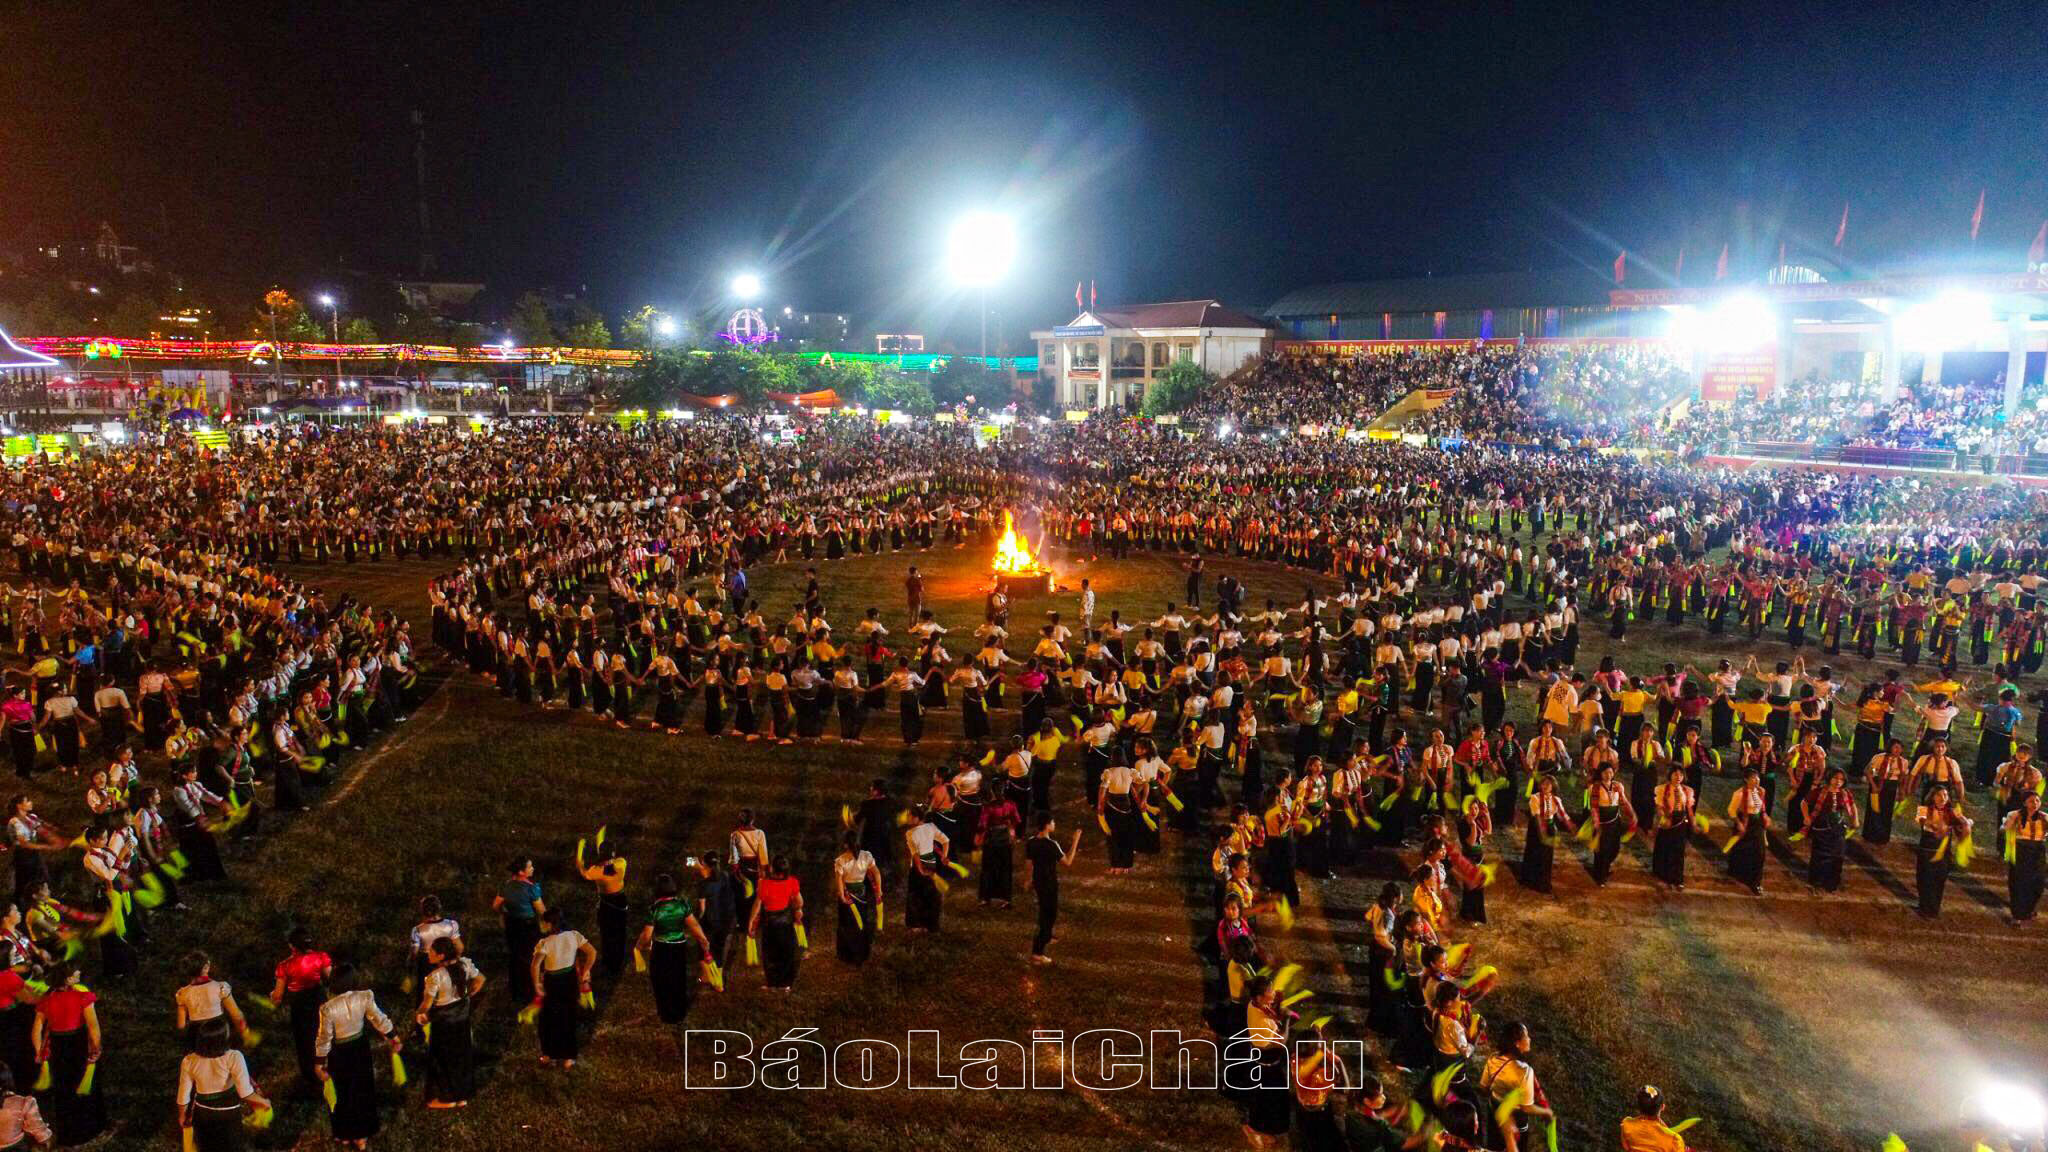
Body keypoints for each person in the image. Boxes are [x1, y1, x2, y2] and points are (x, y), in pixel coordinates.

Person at [315, 962, 397, 1148]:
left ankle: (345, 1133)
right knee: (362, 1089)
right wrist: (393, 1036)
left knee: (344, 1092)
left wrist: (319, 1063)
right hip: (360, 1049)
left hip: (339, 1053)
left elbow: (324, 1038)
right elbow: (379, 1019)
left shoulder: (327, 1008)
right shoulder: (365, 997)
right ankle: (362, 1136)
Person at [29, 966, 100, 1146]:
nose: (78, 973)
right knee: (83, 1085)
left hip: (57, 1047)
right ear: (67, 980)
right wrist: (96, 1047)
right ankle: (90, 1127)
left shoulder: (48, 1000)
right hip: (78, 1044)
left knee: (64, 1089)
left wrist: (38, 1050)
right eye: (75, 973)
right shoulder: (82, 997)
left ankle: (69, 1132)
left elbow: (37, 1027)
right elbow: (93, 1026)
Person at [176, 1019, 267, 1151]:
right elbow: (245, 1093)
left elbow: (183, 1095)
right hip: (228, 1114)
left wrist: (182, 1115)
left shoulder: (189, 1061)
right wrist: (263, 1102)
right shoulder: (233, 1057)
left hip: (202, 1114)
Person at [414, 936, 483, 1108]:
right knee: (462, 1055)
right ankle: (462, 1095)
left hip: (444, 1022)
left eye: (432, 951)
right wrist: (468, 995)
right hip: (462, 1017)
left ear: (441, 955)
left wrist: (420, 1013)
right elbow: (481, 979)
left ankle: (447, 1098)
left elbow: (427, 1004)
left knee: (444, 1059)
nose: (429, 953)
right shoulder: (465, 965)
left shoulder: (435, 977)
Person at [531, 907, 595, 1067]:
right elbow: (592, 952)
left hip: (552, 983)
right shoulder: (573, 936)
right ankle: (568, 1057)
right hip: (570, 981)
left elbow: (535, 965)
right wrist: (586, 971)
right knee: (568, 1016)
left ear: (549, 924)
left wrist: (537, 984)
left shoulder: (545, 943)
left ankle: (549, 1054)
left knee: (548, 1019)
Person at [269, 927, 332, 1091]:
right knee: (324, 1032)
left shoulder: (285, 966)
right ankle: (329, 1064)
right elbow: (330, 978)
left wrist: (272, 997)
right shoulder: (321, 957)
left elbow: (278, 996)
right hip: (318, 998)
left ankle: (311, 1076)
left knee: (305, 1040)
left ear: (292, 946)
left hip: (300, 1005)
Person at [1026, 812, 1081, 964]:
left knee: (1044, 911)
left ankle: (1047, 936)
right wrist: (1075, 841)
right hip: (1049, 884)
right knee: (1048, 916)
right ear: (1047, 825)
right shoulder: (1051, 845)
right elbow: (1068, 862)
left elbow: (1029, 863)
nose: (1054, 824)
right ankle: (1038, 952)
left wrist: (1028, 880)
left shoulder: (1031, 842)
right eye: (1053, 822)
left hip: (1038, 882)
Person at [747, 854, 804, 992]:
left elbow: (757, 905)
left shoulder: (764, 884)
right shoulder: (792, 882)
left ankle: (772, 982)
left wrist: (751, 921)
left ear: (773, 869)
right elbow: (799, 901)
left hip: (770, 922)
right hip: (785, 920)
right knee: (786, 952)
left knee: (770, 953)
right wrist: (798, 909)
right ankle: (786, 983)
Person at [492, 858, 545, 1006]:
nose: (532, 868)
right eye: (530, 867)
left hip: (512, 924)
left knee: (515, 956)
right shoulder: (531, 888)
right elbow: (541, 910)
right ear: (521, 872)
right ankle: (529, 990)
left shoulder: (506, 886)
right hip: (527, 927)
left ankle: (515, 990)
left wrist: (504, 913)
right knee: (530, 957)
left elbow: (496, 905)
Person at [173, 952, 247, 1052]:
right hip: (218, 1034)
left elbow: (181, 1025)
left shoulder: (182, 993)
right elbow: (236, 1015)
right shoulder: (220, 988)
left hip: (196, 1039)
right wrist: (243, 1032)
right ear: (206, 967)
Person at [1914, 786, 1967, 918]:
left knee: (1939, 880)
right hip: (1927, 851)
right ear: (1932, 796)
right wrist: (1938, 826)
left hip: (1943, 853)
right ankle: (1924, 907)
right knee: (1925, 879)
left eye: (1945, 795)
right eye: (1939, 795)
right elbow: (1922, 821)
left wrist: (1966, 825)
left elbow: (1965, 824)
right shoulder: (1923, 809)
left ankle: (1934, 909)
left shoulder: (1952, 812)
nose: (1943, 798)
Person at [578, 840, 629, 976]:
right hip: (620, 900)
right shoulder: (621, 863)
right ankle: (619, 960)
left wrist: (579, 861)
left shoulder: (596, 871)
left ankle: (609, 962)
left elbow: (585, 874)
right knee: (620, 932)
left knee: (607, 933)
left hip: (607, 903)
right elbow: (610, 862)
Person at [830, 834, 880, 967]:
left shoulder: (841, 860)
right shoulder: (866, 856)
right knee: (861, 922)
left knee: (847, 925)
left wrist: (841, 895)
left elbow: (839, 881)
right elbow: (876, 873)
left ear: (845, 844)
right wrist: (879, 889)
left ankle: (847, 955)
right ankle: (861, 953)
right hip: (861, 894)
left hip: (848, 896)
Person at [904, 807, 950, 935]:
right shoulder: (931, 827)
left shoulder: (910, 833)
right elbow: (945, 840)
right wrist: (944, 856)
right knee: (931, 895)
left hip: (920, 867)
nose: (908, 819)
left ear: (917, 817)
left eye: (910, 816)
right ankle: (931, 926)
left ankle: (916, 925)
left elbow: (916, 855)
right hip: (932, 864)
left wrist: (920, 870)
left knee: (915, 896)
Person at [2004, 791, 2046, 924]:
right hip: (2020, 849)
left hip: (2038, 849)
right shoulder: (2015, 815)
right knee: (2018, 882)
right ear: (2024, 803)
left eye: (2037, 801)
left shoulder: (2044, 817)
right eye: (2031, 801)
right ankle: (2017, 915)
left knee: (2038, 883)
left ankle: (2028, 909)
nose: (2035, 804)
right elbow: (2005, 830)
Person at [1619, 1085, 1690, 1152]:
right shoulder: (1674, 1140)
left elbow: (1627, 1147)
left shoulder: (1627, 1124)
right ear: (1663, 1107)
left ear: (1639, 1105)